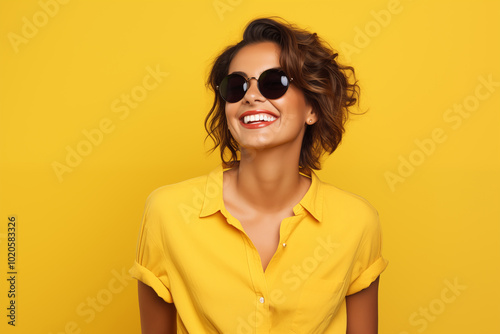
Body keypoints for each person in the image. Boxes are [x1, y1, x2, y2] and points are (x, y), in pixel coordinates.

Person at [130, 17, 388, 334]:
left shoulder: (356, 221)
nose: (251, 96)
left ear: (312, 108)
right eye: (236, 86)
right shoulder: (167, 213)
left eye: (273, 82)